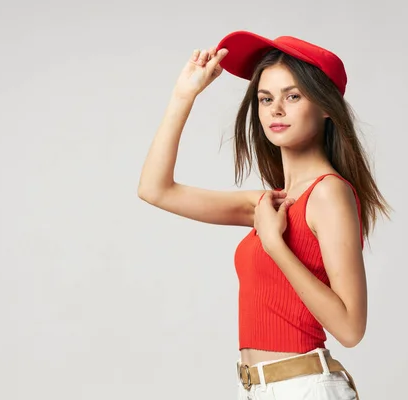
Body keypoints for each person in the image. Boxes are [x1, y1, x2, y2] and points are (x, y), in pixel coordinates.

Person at [137, 30, 390, 400]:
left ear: (324, 106)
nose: (276, 109)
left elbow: (351, 328)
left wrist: (275, 244)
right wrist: (184, 95)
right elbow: (155, 190)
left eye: (293, 96)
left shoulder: (329, 193)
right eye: (266, 98)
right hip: (255, 388)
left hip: (304, 388)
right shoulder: (271, 203)